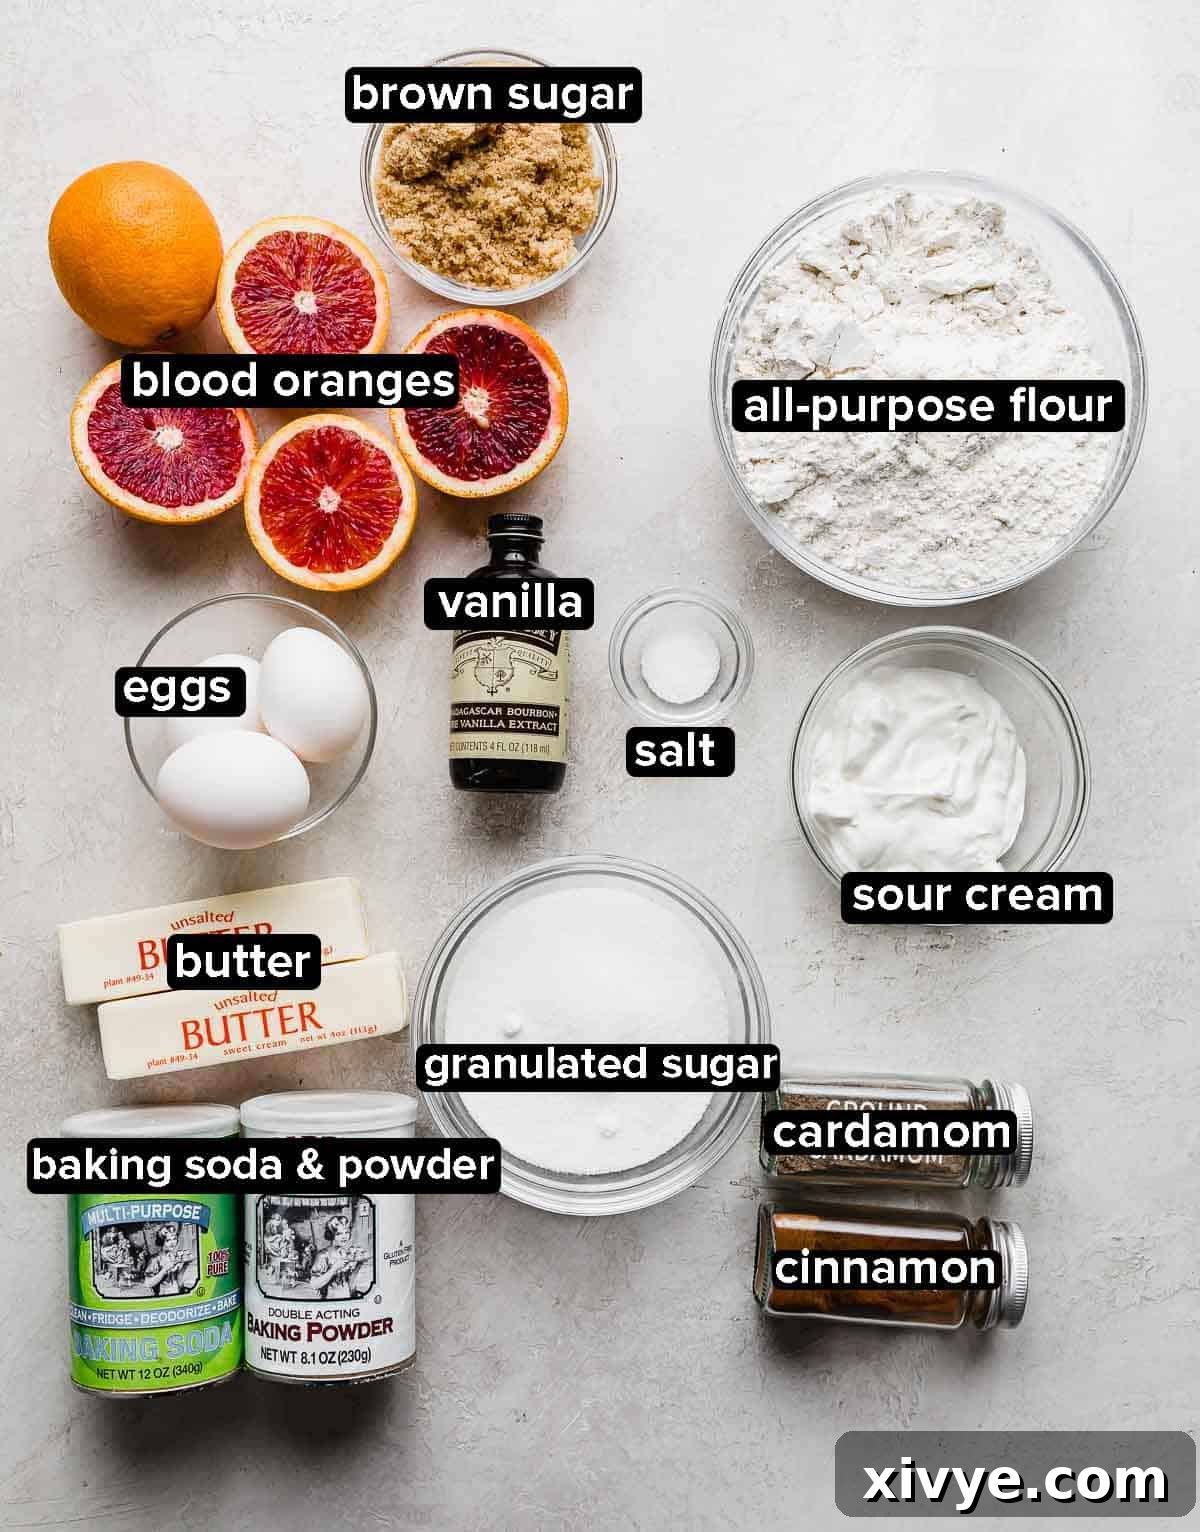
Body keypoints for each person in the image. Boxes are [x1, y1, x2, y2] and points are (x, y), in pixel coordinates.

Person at [307, 1213, 368, 1300]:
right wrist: (334, 1268)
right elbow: (314, 1285)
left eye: (346, 1232)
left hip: (346, 1296)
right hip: (330, 1299)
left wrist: (359, 1264)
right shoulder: (323, 1255)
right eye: (339, 1233)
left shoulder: (346, 1253)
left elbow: (350, 1283)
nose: (344, 1237)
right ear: (332, 1235)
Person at [142, 1223, 186, 1296]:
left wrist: (185, 1265)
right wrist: (164, 1269)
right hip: (162, 1295)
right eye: (168, 1240)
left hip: (175, 1293)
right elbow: (147, 1284)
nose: (172, 1243)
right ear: (162, 1241)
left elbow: (178, 1281)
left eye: (174, 1239)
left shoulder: (173, 1256)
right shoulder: (155, 1259)